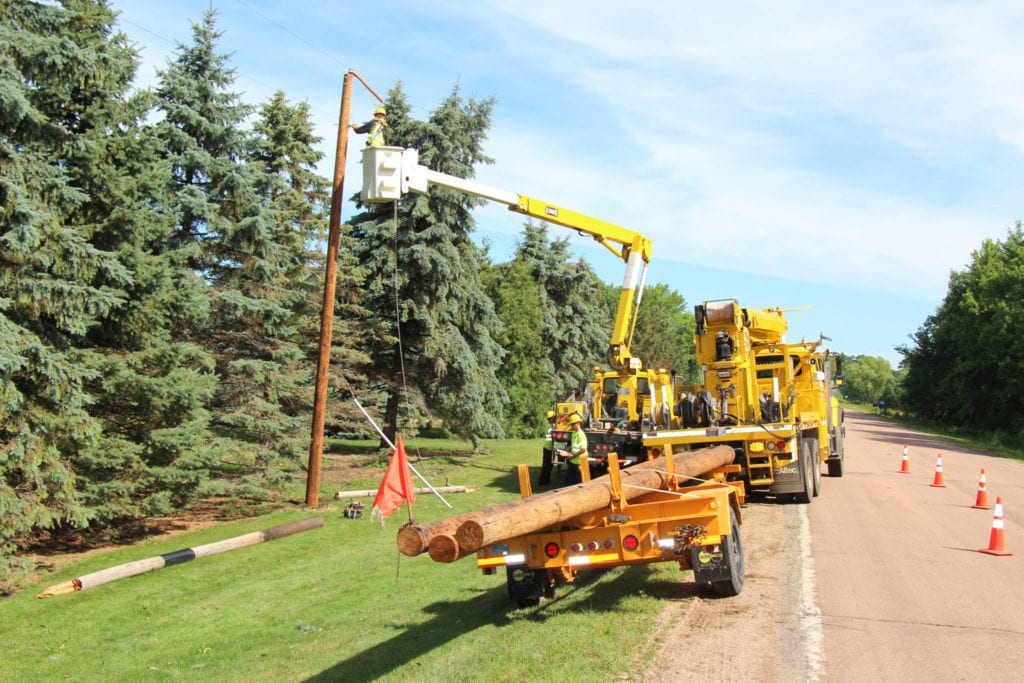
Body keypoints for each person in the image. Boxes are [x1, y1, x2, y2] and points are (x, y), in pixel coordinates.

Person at [558, 413, 588, 485]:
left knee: (577, 482)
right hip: (573, 461)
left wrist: (572, 456)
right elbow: (574, 444)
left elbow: (583, 449)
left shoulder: (581, 434)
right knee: (568, 480)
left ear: (577, 424)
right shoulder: (574, 433)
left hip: (579, 462)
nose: (571, 426)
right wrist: (566, 450)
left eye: (572, 424)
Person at [537, 410, 558, 487]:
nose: (555, 419)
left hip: (549, 448)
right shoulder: (551, 426)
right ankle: (542, 481)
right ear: (551, 418)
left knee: (549, 466)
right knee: (546, 466)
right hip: (548, 449)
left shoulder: (550, 425)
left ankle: (546, 480)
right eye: (554, 418)